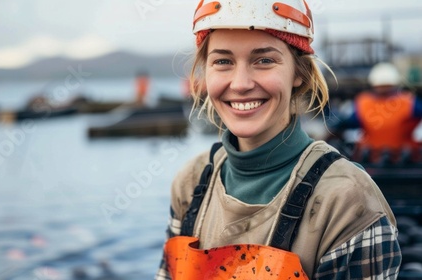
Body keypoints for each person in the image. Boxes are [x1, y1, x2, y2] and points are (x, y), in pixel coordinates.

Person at [155, 0, 401, 279]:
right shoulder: (191, 181)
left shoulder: (347, 199)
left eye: (264, 60)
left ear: (298, 73)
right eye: (223, 61)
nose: (240, 84)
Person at [328, 62, 422, 164]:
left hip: (382, 160)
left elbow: (344, 124)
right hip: (396, 160)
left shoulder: (364, 103)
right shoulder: (409, 101)